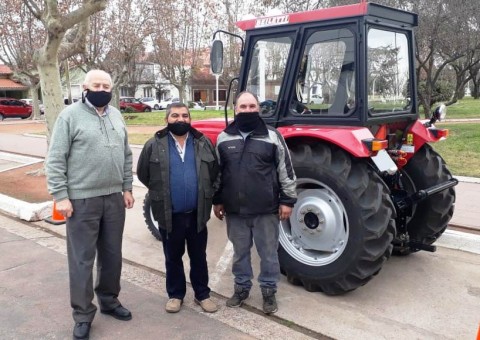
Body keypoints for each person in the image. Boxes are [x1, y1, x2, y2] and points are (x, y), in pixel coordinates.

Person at [46, 69, 134, 340]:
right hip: (81, 200)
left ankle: (109, 300)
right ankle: (83, 314)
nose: (102, 89)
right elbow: (56, 159)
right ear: (85, 87)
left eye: (106, 85)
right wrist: (61, 196)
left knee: (112, 256)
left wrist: (127, 187)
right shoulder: (69, 116)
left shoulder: (116, 115)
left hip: (113, 199)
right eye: (96, 84)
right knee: (82, 259)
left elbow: (126, 154)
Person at [213, 91, 297, 314]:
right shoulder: (224, 138)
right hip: (236, 212)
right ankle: (241, 288)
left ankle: (269, 291)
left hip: (266, 210)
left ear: (258, 109)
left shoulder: (272, 136)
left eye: (252, 106)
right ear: (235, 109)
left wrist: (287, 200)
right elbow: (218, 174)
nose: (248, 110)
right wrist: (218, 200)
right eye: (243, 107)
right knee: (240, 253)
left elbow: (286, 171)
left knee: (268, 253)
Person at [137, 102, 219, 314]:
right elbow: (144, 175)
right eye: (175, 115)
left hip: (197, 215)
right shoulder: (153, 145)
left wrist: (209, 195)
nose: (180, 119)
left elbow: (215, 172)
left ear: (189, 119)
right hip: (169, 214)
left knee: (199, 257)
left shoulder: (203, 143)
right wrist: (162, 193)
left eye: (184, 115)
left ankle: (203, 294)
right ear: (167, 119)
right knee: (172, 257)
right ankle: (175, 295)